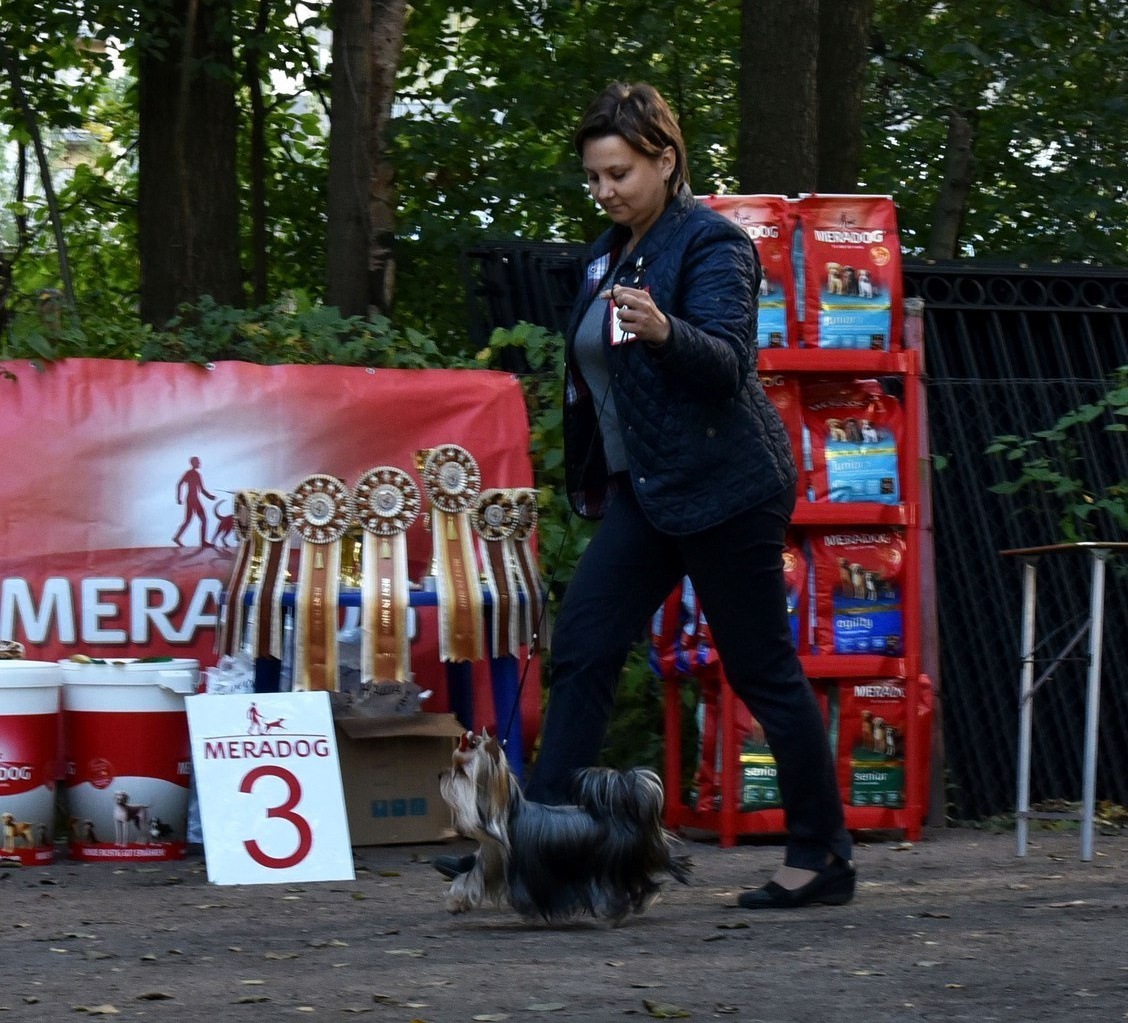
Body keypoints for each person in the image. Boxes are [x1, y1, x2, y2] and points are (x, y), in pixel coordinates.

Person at [439, 81, 854, 909]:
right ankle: (536, 842)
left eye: (620, 173)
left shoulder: (714, 245)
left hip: (728, 486)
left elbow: (730, 364)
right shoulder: (607, 252)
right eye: (594, 177)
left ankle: (823, 853)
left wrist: (666, 330)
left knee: (761, 668)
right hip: (648, 491)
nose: (605, 190)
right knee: (585, 644)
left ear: (666, 160)